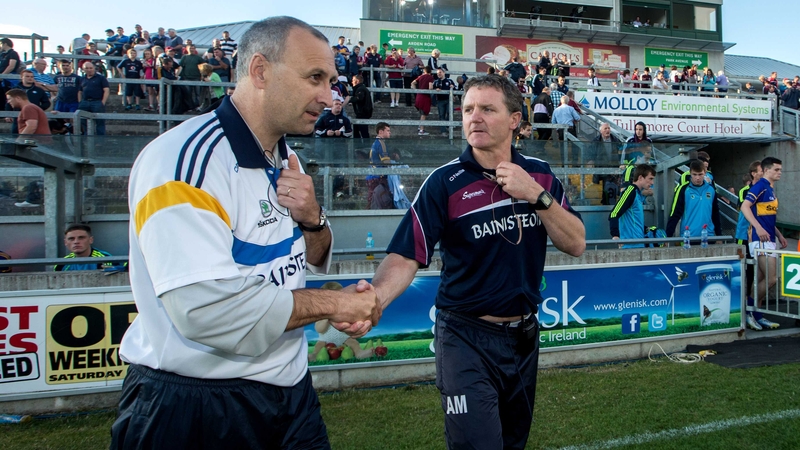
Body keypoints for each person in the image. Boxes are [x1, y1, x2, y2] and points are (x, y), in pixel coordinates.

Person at [111, 17, 380, 449]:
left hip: (292, 391)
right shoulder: (182, 163)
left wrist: (312, 218)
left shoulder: (287, 159)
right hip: (197, 403)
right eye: (314, 77)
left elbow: (311, 260)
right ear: (259, 71)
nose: (329, 96)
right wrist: (335, 303)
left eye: (331, 82)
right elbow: (206, 310)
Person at [361, 74, 585, 450]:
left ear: (514, 120)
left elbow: (575, 243)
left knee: (512, 443)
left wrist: (535, 194)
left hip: (524, 337)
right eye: (467, 109)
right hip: (465, 337)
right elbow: (406, 254)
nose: (474, 117)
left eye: (486, 109)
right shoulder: (444, 182)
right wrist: (375, 299)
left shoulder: (540, 175)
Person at [741, 157, 787, 331]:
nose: (780, 172)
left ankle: (757, 316)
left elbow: (767, 217)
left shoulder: (770, 189)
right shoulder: (760, 186)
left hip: (769, 240)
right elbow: (745, 207)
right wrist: (758, 228)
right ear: (766, 170)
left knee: (760, 279)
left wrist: (779, 235)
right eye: (776, 169)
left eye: (780, 169)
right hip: (759, 240)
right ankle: (748, 311)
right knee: (771, 278)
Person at [735, 161, 762, 329]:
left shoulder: (766, 190)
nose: (764, 173)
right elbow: (745, 209)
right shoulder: (745, 191)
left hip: (759, 238)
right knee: (744, 274)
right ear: (753, 173)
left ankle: (755, 312)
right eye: (761, 170)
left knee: (756, 275)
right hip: (744, 237)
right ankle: (744, 312)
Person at [666, 159, 721, 240]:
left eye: (700, 174)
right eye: (694, 174)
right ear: (690, 173)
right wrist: (668, 236)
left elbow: (715, 213)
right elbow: (675, 213)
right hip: (688, 237)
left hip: (708, 236)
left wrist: (719, 236)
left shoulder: (711, 189)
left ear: (705, 173)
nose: (697, 178)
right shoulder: (683, 189)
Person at [609, 164, 655, 248]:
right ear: (640, 177)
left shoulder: (637, 194)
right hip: (629, 246)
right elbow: (614, 213)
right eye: (650, 179)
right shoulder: (630, 191)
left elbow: (634, 222)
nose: (652, 183)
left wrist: (648, 229)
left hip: (638, 244)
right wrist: (615, 235)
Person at [367, 122, 394, 209]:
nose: (390, 132)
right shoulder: (381, 143)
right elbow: (386, 161)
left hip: (372, 175)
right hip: (378, 177)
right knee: (381, 201)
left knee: (372, 201)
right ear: (381, 131)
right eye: (388, 130)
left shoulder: (375, 143)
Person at [77, 61, 109, 135]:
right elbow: (79, 92)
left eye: (91, 68)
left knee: (100, 123)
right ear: (83, 69)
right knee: (83, 122)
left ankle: (100, 140)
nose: (89, 70)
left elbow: (106, 90)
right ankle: (86, 138)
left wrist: (102, 102)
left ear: (94, 68)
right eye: (87, 68)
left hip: (97, 102)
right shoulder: (82, 79)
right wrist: (80, 102)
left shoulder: (101, 78)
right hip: (84, 102)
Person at [433, 67, 456, 135]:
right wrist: (435, 90)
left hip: (449, 100)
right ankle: (443, 131)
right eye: (437, 73)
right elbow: (431, 90)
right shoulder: (436, 82)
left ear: (444, 73)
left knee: (450, 112)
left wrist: (453, 88)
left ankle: (447, 125)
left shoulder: (449, 81)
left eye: (440, 72)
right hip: (440, 101)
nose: (438, 74)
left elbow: (455, 89)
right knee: (441, 115)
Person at [411, 66, 434, 136]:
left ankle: (420, 127)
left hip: (419, 96)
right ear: (430, 71)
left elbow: (413, 83)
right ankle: (421, 130)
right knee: (423, 114)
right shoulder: (430, 77)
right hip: (425, 97)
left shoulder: (421, 76)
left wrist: (415, 90)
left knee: (422, 113)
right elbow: (430, 87)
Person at [351, 74, 373, 139]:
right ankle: (359, 144)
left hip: (362, 114)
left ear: (357, 81)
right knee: (356, 130)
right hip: (362, 114)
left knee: (363, 132)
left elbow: (359, 98)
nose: (352, 82)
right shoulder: (363, 88)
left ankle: (364, 144)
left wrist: (350, 99)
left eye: (353, 80)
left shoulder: (360, 89)